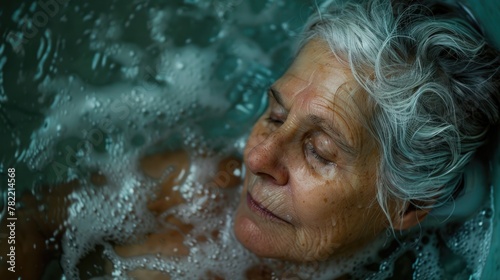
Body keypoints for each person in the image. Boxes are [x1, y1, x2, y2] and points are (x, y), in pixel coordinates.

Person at [1, 0, 499, 278]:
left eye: (320, 152)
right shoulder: (200, 186)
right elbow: (26, 220)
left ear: (410, 203)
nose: (257, 156)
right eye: (275, 114)